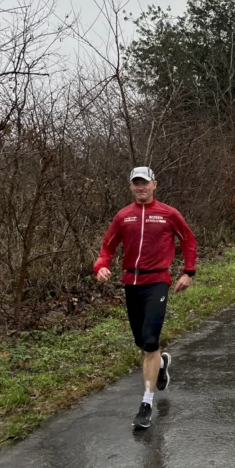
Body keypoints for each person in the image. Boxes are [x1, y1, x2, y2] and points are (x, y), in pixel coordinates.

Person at [94, 166, 197, 429]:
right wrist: (101, 265)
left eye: (144, 183)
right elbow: (107, 247)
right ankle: (161, 362)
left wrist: (188, 272)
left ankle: (146, 402)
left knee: (150, 341)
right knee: (141, 341)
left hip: (157, 281)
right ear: (130, 187)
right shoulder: (123, 216)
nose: (140, 187)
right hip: (131, 281)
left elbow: (188, 241)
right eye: (135, 183)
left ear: (154, 184)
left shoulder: (168, 214)